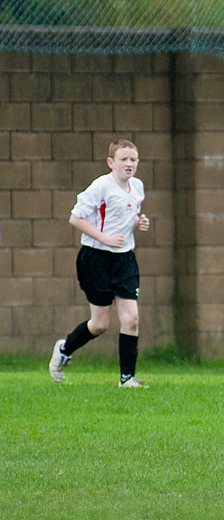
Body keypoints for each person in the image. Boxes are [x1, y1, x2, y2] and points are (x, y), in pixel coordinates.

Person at [49, 139, 149, 388]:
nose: (128, 164)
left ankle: (127, 379)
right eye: (123, 159)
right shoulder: (101, 186)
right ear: (111, 162)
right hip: (96, 258)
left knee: (132, 318)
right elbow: (75, 218)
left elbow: (127, 212)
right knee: (99, 324)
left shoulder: (137, 187)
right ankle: (64, 349)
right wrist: (105, 238)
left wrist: (138, 222)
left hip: (125, 259)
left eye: (133, 159)